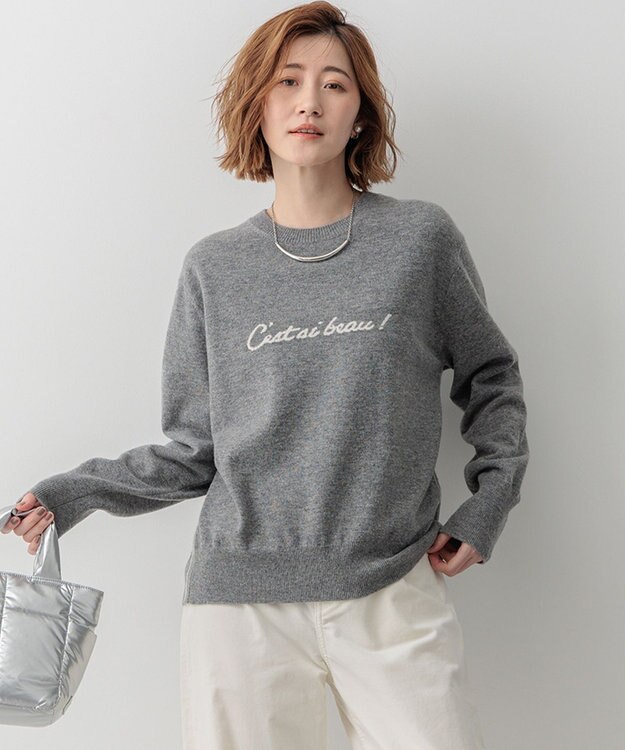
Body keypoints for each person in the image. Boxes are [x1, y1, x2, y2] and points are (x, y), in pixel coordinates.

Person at [2, 2, 529, 748]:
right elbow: (195, 451)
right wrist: (74, 493)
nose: (309, 101)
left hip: (391, 587)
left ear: (361, 115)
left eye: (334, 84)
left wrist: (489, 504)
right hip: (239, 605)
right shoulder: (214, 268)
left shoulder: (419, 241)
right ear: (257, 104)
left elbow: (491, 375)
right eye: (288, 81)